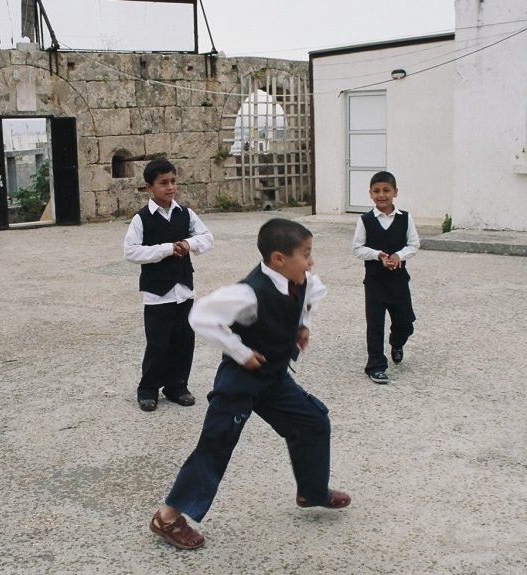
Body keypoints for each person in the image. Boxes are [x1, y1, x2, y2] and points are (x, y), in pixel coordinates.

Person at [149, 218, 351, 549]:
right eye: (306, 254)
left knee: (313, 421)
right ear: (278, 259)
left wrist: (302, 326)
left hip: (273, 378)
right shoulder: (248, 293)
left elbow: (311, 297)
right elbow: (201, 316)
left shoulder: (302, 281)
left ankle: (311, 492)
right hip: (240, 382)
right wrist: (239, 351)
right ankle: (167, 517)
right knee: (216, 445)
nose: (311, 262)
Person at [124, 158, 214, 412]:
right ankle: (148, 388)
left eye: (173, 181)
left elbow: (207, 238)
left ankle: (177, 386)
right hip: (157, 293)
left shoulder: (186, 214)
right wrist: (165, 249)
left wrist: (189, 244)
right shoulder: (141, 219)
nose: (170, 187)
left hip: (184, 290)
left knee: (184, 340)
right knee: (158, 343)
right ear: (149, 188)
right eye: (163, 183)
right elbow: (131, 252)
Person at [352, 171, 420, 384]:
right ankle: (375, 365)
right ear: (370, 194)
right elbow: (357, 248)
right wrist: (377, 255)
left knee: (406, 321)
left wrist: (399, 255)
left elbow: (414, 244)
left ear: (395, 192)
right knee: (374, 324)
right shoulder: (365, 220)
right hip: (374, 281)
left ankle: (397, 342)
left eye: (386, 190)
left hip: (399, 281)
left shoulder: (405, 218)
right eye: (376, 191)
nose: (381, 195)